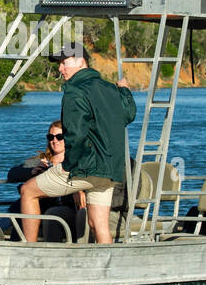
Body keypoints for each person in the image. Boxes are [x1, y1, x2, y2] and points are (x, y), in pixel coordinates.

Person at [19, 41, 136, 243]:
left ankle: (28, 250)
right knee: (98, 225)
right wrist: (124, 90)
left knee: (28, 191)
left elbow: (75, 134)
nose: (60, 68)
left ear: (81, 61)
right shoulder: (111, 89)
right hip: (110, 170)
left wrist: (69, 166)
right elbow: (129, 114)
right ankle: (108, 267)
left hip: (85, 168)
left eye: (64, 62)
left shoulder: (74, 91)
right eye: (59, 63)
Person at [5, 121, 84, 241]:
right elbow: (12, 173)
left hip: (66, 205)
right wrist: (32, 172)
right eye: (50, 137)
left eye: (59, 137)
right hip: (41, 204)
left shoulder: (75, 161)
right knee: (24, 201)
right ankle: (3, 237)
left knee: (23, 204)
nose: (54, 140)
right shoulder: (41, 161)